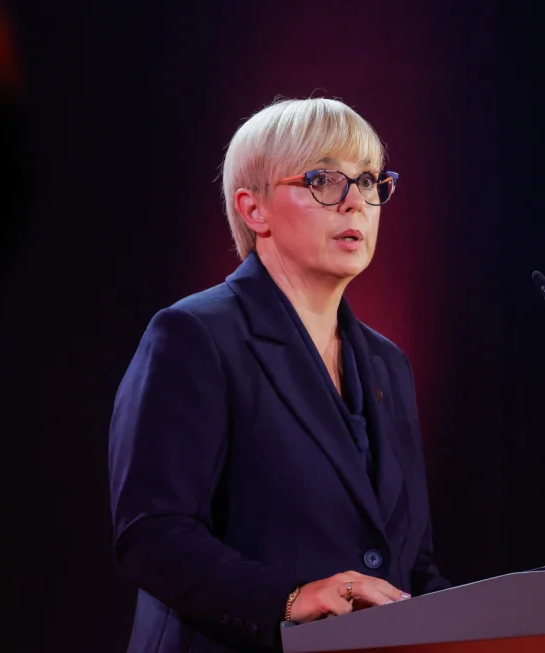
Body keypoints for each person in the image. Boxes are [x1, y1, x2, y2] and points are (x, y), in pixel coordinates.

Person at [108, 97, 450, 653]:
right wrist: (286, 601)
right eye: (324, 180)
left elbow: (413, 565)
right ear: (253, 209)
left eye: (368, 181)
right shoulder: (194, 336)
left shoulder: (389, 364)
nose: (355, 203)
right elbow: (152, 533)